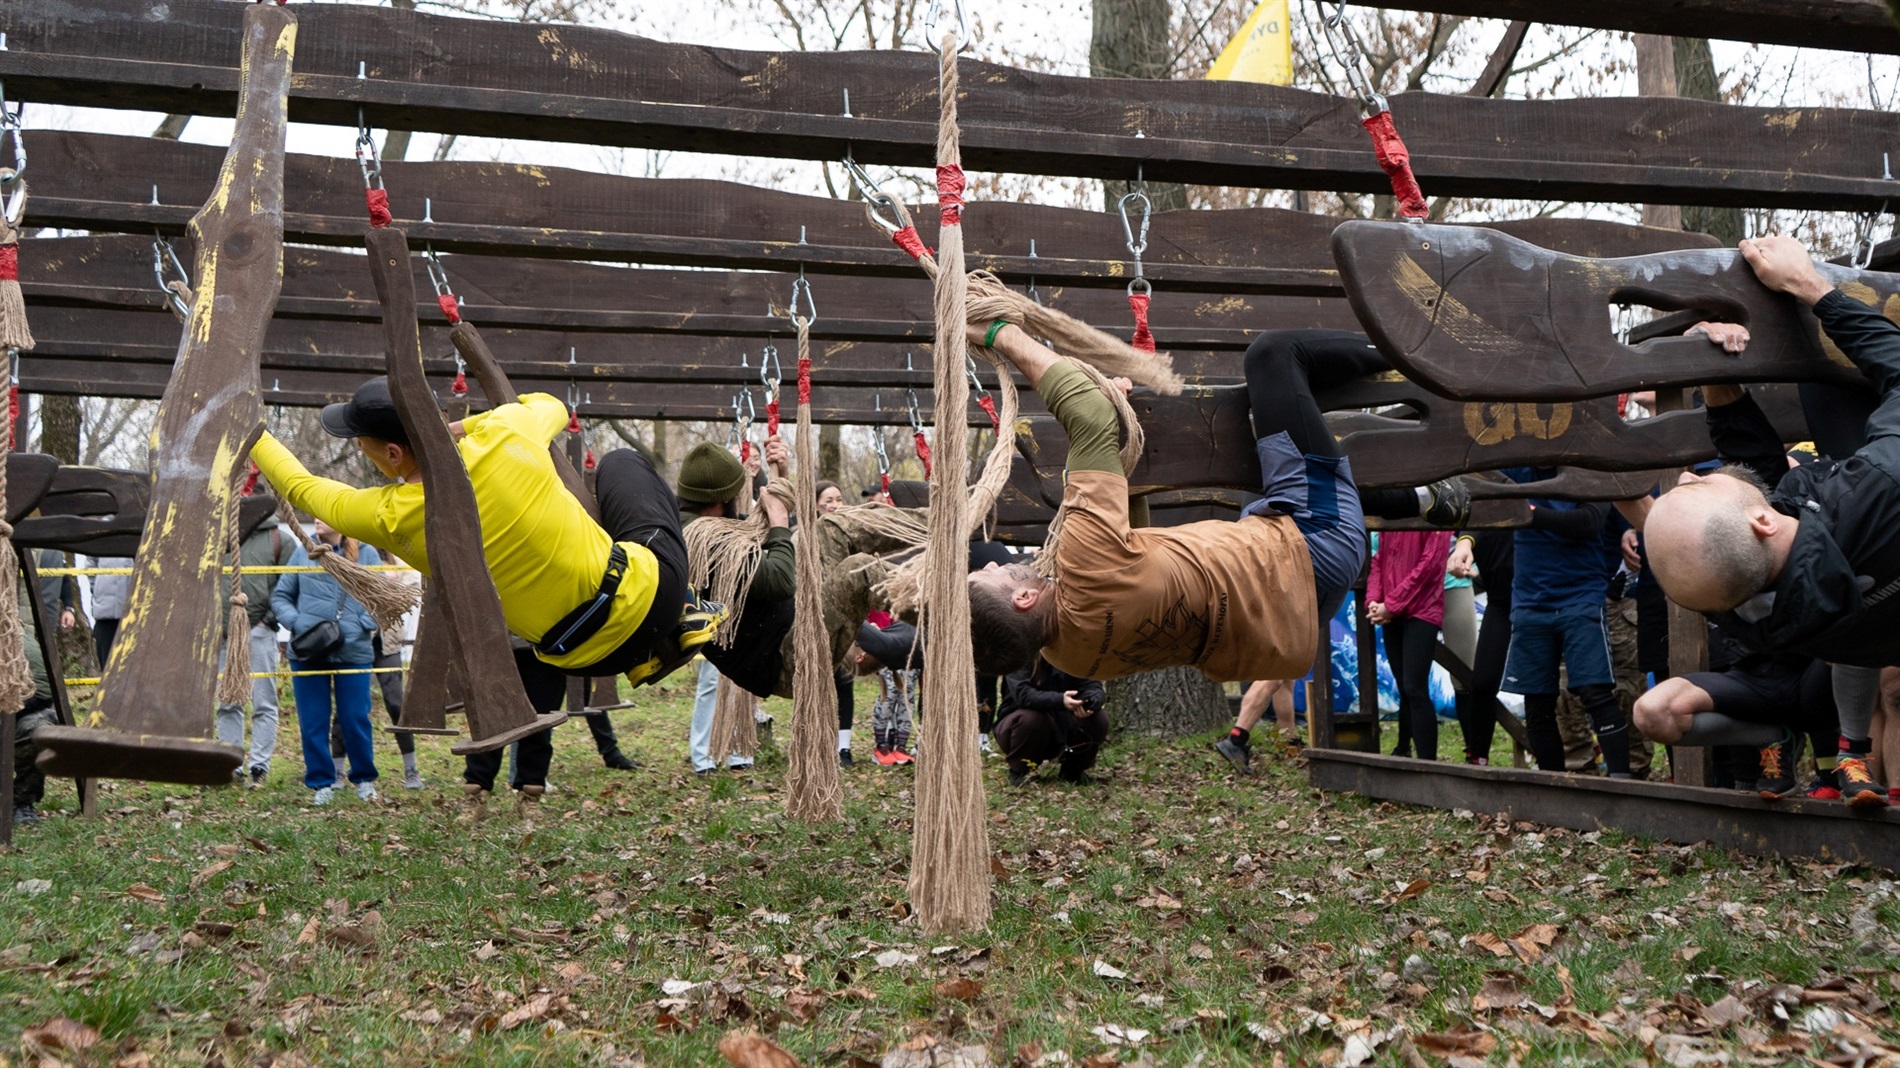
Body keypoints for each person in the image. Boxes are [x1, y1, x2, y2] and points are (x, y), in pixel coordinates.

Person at [960, 327, 1468, 778]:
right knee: (1272, 358)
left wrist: (1115, 441)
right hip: (1316, 541)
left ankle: (1424, 500)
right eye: (991, 577)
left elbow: (1130, 549)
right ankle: (1414, 348)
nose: (989, 563)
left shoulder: (1065, 650)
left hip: (1293, 615)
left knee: (1252, 458)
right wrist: (1000, 332)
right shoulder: (1084, 563)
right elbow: (1086, 413)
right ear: (1024, 601)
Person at [251, 379, 717, 688]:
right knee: (621, 463)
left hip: (586, 661)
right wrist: (465, 425)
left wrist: (251, 431)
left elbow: (303, 489)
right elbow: (551, 405)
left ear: (393, 455)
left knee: (610, 480)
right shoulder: (506, 432)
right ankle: (684, 612)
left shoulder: (391, 516)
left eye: (362, 443)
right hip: (653, 598)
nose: (360, 449)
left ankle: (656, 642)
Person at [1497, 473, 1632, 778]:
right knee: (1537, 703)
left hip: (1580, 596)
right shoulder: (1516, 468)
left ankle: (1622, 785)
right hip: (1531, 600)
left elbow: (1590, 522)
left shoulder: (1584, 465)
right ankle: (1552, 788)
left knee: (1594, 692)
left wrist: (1530, 515)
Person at [271, 519, 381, 806]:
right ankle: (322, 782)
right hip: (309, 651)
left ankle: (364, 780)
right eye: (314, 515)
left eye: (322, 514)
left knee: (355, 717)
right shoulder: (302, 552)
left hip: (354, 651)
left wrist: (363, 624)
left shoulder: (367, 553)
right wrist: (298, 624)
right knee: (313, 721)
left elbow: (380, 598)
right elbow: (281, 596)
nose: (316, 520)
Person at [216, 522, 294, 787]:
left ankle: (259, 766)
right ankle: (230, 764)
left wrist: (268, 621)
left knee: (264, 701)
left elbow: (289, 585)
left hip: (258, 631)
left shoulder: (279, 540)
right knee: (227, 700)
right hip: (223, 633)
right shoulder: (217, 535)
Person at [1367, 529, 1451, 762]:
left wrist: (1391, 604)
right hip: (1392, 609)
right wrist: (1374, 599)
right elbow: (1380, 558)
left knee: (1415, 687)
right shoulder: (1391, 513)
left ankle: (1429, 765)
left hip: (1423, 609)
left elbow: (1431, 564)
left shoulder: (1436, 505)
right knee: (1404, 687)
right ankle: (1405, 751)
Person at [995, 656, 1108, 786]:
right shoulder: (1022, 655)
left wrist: (1091, 701)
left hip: (1064, 726)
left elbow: (1093, 686)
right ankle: (1019, 771)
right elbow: (1023, 694)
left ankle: (1073, 771)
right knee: (1032, 719)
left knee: (1099, 718)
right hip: (1020, 728)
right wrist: (1060, 700)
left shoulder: (1073, 654)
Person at [10, 576, 55, 825]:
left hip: (24, 713)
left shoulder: (17, 641)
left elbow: (45, 693)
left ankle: (21, 802)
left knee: (40, 730)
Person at [88, 555, 131, 668]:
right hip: (105, 613)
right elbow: (90, 565)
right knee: (107, 666)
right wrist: (98, 590)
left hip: (136, 614)